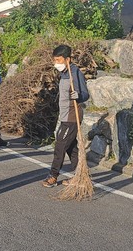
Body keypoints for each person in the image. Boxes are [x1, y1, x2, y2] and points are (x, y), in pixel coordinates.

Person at [42, 44, 90, 188]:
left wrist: (79, 95)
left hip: (72, 116)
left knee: (60, 145)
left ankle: (53, 176)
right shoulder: (63, 74)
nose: (56, 63)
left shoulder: (75, 73)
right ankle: (79, 176)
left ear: (67, 59)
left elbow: (85, 94)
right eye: (54, 60)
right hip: (64, 116)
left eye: (58, 60)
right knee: (71, 147)